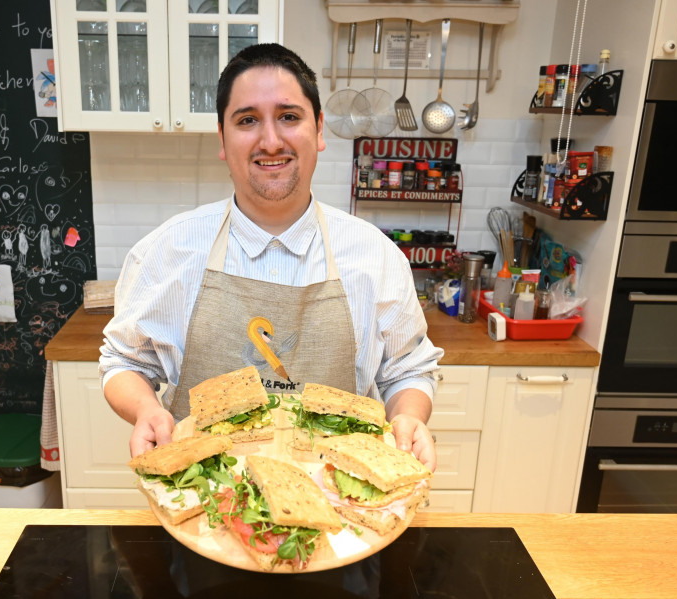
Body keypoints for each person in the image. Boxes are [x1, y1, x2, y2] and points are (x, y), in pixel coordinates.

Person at [99, 43, 443, 470]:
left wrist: (408, 417)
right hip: (200, 506)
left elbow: (406, 370)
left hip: (342, 513)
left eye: (289, 117)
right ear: (222, 139)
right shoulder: (169, 250)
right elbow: (124, 361)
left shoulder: (376, 256)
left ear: (318, 130)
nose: (270, 140)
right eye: (247, 120)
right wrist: (146, 411)